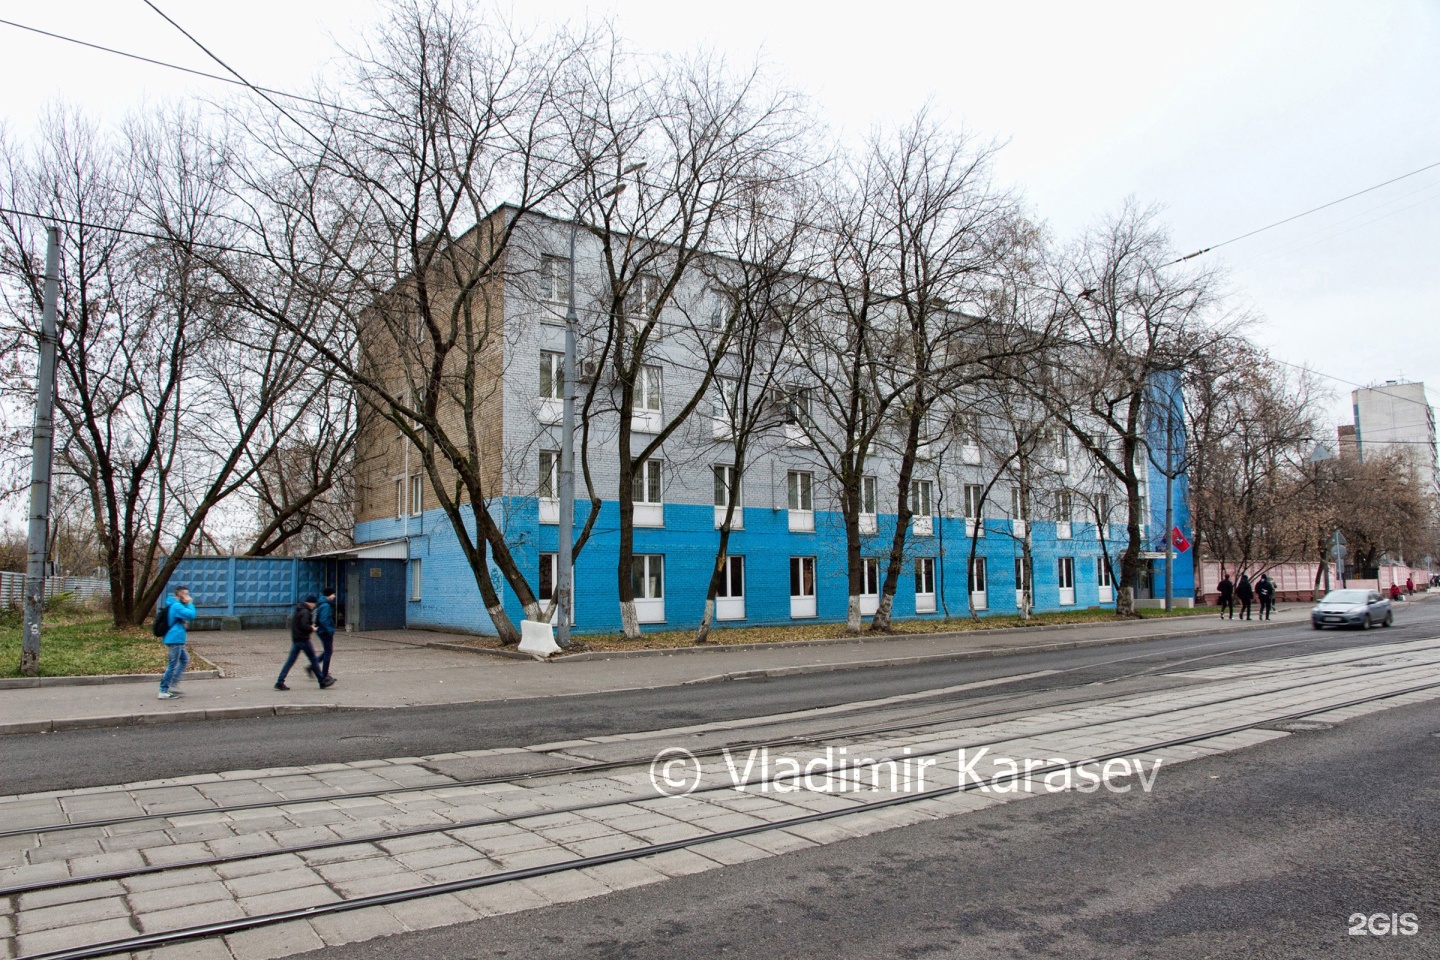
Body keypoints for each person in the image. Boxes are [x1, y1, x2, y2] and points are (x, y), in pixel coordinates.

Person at [276, 595, 334, 691]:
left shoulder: (299, 609)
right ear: (311, 603)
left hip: (296, 640)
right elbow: (304, 625)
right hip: (304, 640)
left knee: (290, 661)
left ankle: (280, 681)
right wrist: (312, 628)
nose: (314, 606)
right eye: (314, 604)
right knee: (314, 660)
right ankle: (322, 681)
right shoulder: (306, 612)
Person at [157, 586, 197, 700]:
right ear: (180, 595)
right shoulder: (177, 606)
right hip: (175, 638)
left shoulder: (175, 605)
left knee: (184, 659)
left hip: (176, 637)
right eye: (186, 594)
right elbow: (191, 615)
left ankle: (172, 684)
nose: (188, 596)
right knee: (172, 664)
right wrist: (190, 603)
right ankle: (163, 690)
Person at [309, 588, 338, 682]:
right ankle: (324, 674)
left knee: (327, 651)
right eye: (333, 594)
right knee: (328, 652)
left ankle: (312, 667)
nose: (334, 596)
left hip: (321, 631)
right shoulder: (326, 605)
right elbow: (324, 619)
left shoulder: (321, 603)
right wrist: (330, 630)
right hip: (325, 631)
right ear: (329, 595)